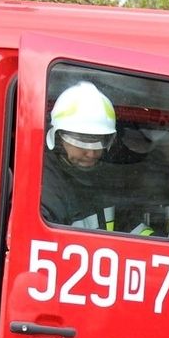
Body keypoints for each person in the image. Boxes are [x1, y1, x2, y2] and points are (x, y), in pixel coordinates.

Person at [40, 81, 121, 230]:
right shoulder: (44, 186)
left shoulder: (106, 178)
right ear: (58, 138)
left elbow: (131, 225)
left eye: (99, 142)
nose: (91, 153)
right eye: (82, 142)